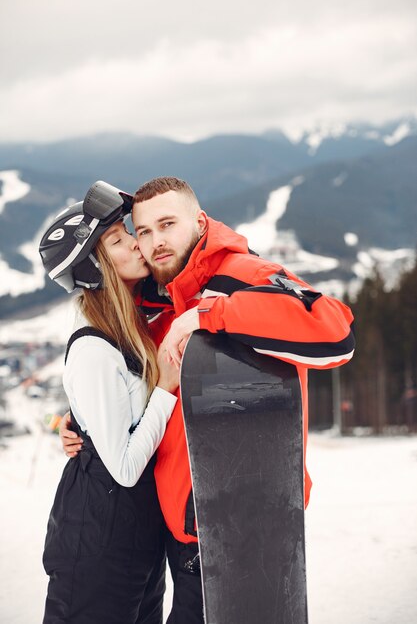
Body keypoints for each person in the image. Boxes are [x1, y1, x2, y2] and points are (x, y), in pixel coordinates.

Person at [63, 177, 355, 624]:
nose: (155, 241)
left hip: (239, 530)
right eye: (143, 231)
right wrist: (82, 420)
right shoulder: (160, 300)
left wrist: (208, 315)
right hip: (177, 535)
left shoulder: (242, 276)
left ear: (199, 222)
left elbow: (334, 331)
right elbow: (138, 385)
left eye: (168, 224)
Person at [38, 182, 179, 624]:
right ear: (95, 269)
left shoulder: (128, 326)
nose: (138, 244)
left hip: (135, 537)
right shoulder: (95, 349)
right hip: (97, 543)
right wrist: (166, 390)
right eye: (120, 241)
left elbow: (116, 410)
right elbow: (124, 466)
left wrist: (80, 420)